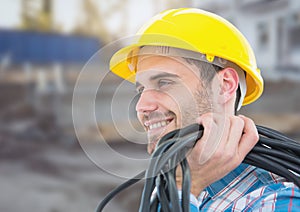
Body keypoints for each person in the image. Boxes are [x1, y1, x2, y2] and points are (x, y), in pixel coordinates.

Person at [109, 8, 300, 211]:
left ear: (224, 85)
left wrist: (186, 187)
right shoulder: (169, 183)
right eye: (141, 89)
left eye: (164, 82)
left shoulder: (278, 199)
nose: (142, 106)